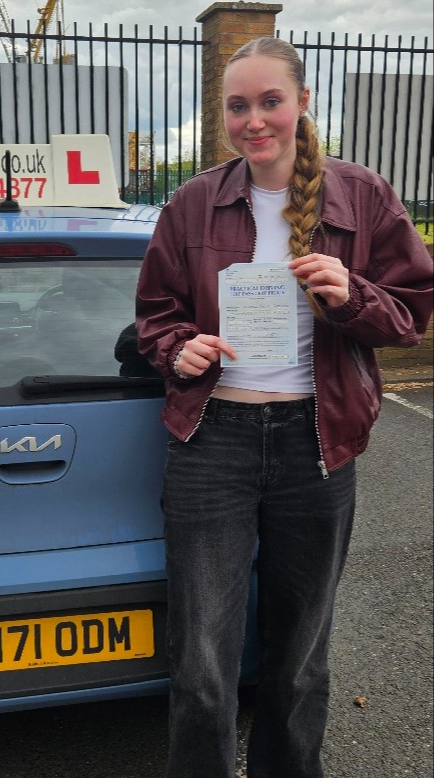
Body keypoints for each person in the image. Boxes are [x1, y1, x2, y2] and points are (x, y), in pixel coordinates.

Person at [135, 36, 433, 778]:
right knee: (201, 661)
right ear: (224, 115)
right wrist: (180, 350)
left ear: (302, 103)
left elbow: (410, 314)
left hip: (315, 443)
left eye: (270, 101)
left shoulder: (361, 196)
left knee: (299, 657)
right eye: (238, 105)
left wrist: (350, 293)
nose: (254, 120)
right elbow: (153, 315)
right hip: (212, 442)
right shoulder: (193, 201)